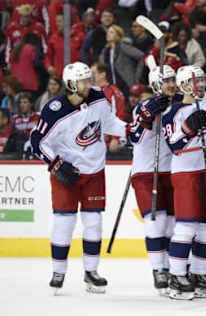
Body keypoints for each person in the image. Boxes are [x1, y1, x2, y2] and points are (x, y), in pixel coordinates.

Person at [29, 62, 135, 294]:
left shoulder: (97, 97)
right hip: (66, 173)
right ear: (70, 84)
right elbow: (38, 141)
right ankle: (58, 272)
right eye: (84, 81)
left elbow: (108, 122)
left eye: (89, 79)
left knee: (94, 223)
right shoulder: (55, 109)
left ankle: (91, 272)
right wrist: (56, 163)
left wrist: (128, 130)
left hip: (94, 171)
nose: (90, 84)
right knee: (64, 223)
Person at [162, 65, 206, 300]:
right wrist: (189, 128)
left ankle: (199, 274)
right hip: (186, 172)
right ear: (183, 85)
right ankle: (177, 275)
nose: (200, 85)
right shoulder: (173, 112)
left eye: (202, 80)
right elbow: (173, 145)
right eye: (195, 81)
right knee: (187, 227)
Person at [129, 64, 177, 295]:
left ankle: (173, 268)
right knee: (155, 221)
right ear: (156, 84)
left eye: (173, 79)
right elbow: (133, 137)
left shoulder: (179, 104)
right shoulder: (143, 106)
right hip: (147, 173)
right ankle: (159, 269)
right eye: (166, 80)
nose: (171, 83)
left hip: (172, 171)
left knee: (174, 226)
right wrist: (148, 116)